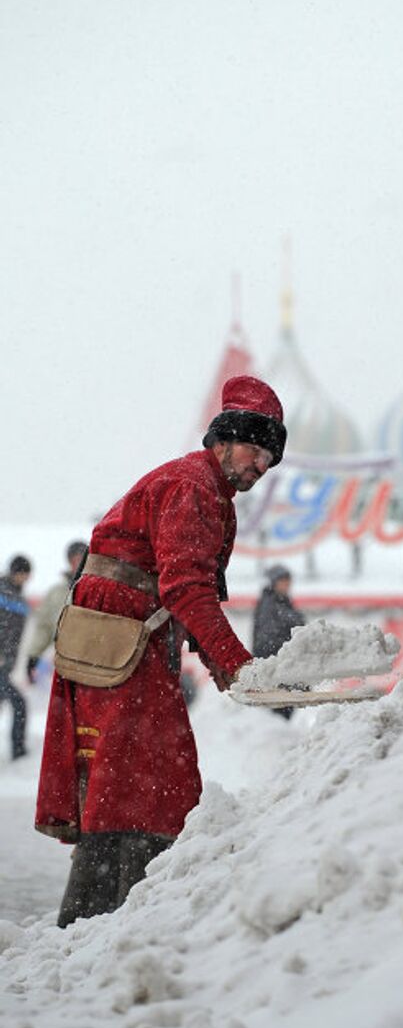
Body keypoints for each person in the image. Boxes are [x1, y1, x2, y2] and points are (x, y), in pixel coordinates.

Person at [36, 375, 286, 927]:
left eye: (270, 459)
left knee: (134, 778)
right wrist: (236, 662)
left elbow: (189, 585)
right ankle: (112, 918)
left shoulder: (208, 489)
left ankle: (116, 913)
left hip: (127, 638)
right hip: (119, 640)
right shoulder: (193, 486)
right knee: (144, 779)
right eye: (255, 449)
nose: (261, 466)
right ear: (222, 440)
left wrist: (215, 655)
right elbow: (186, 587)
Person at [25, 540, 88, 684]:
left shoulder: (99, 590)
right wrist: (33, 655)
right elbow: (44, 626)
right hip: (64, 663)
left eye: (81, 558)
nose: (77, 563)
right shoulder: (56, 593)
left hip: (93, 664)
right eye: (74, 559)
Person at [251, 564, 306, 719]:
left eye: (289, 580)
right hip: (277, 672)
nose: (288, 584)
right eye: (283, 580)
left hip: (283, 671)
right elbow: (267, 640)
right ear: (274, 582)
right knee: (279, 712)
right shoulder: (270, 606)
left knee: (284, 712)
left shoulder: (282, 603)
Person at [0, 555, 33, 760]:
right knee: (19, 704)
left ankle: (18, 750)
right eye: (24, 573)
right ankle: (18, 750)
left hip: (6, 664)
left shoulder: (18, 597)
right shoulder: (4, 592)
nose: (26, 578)